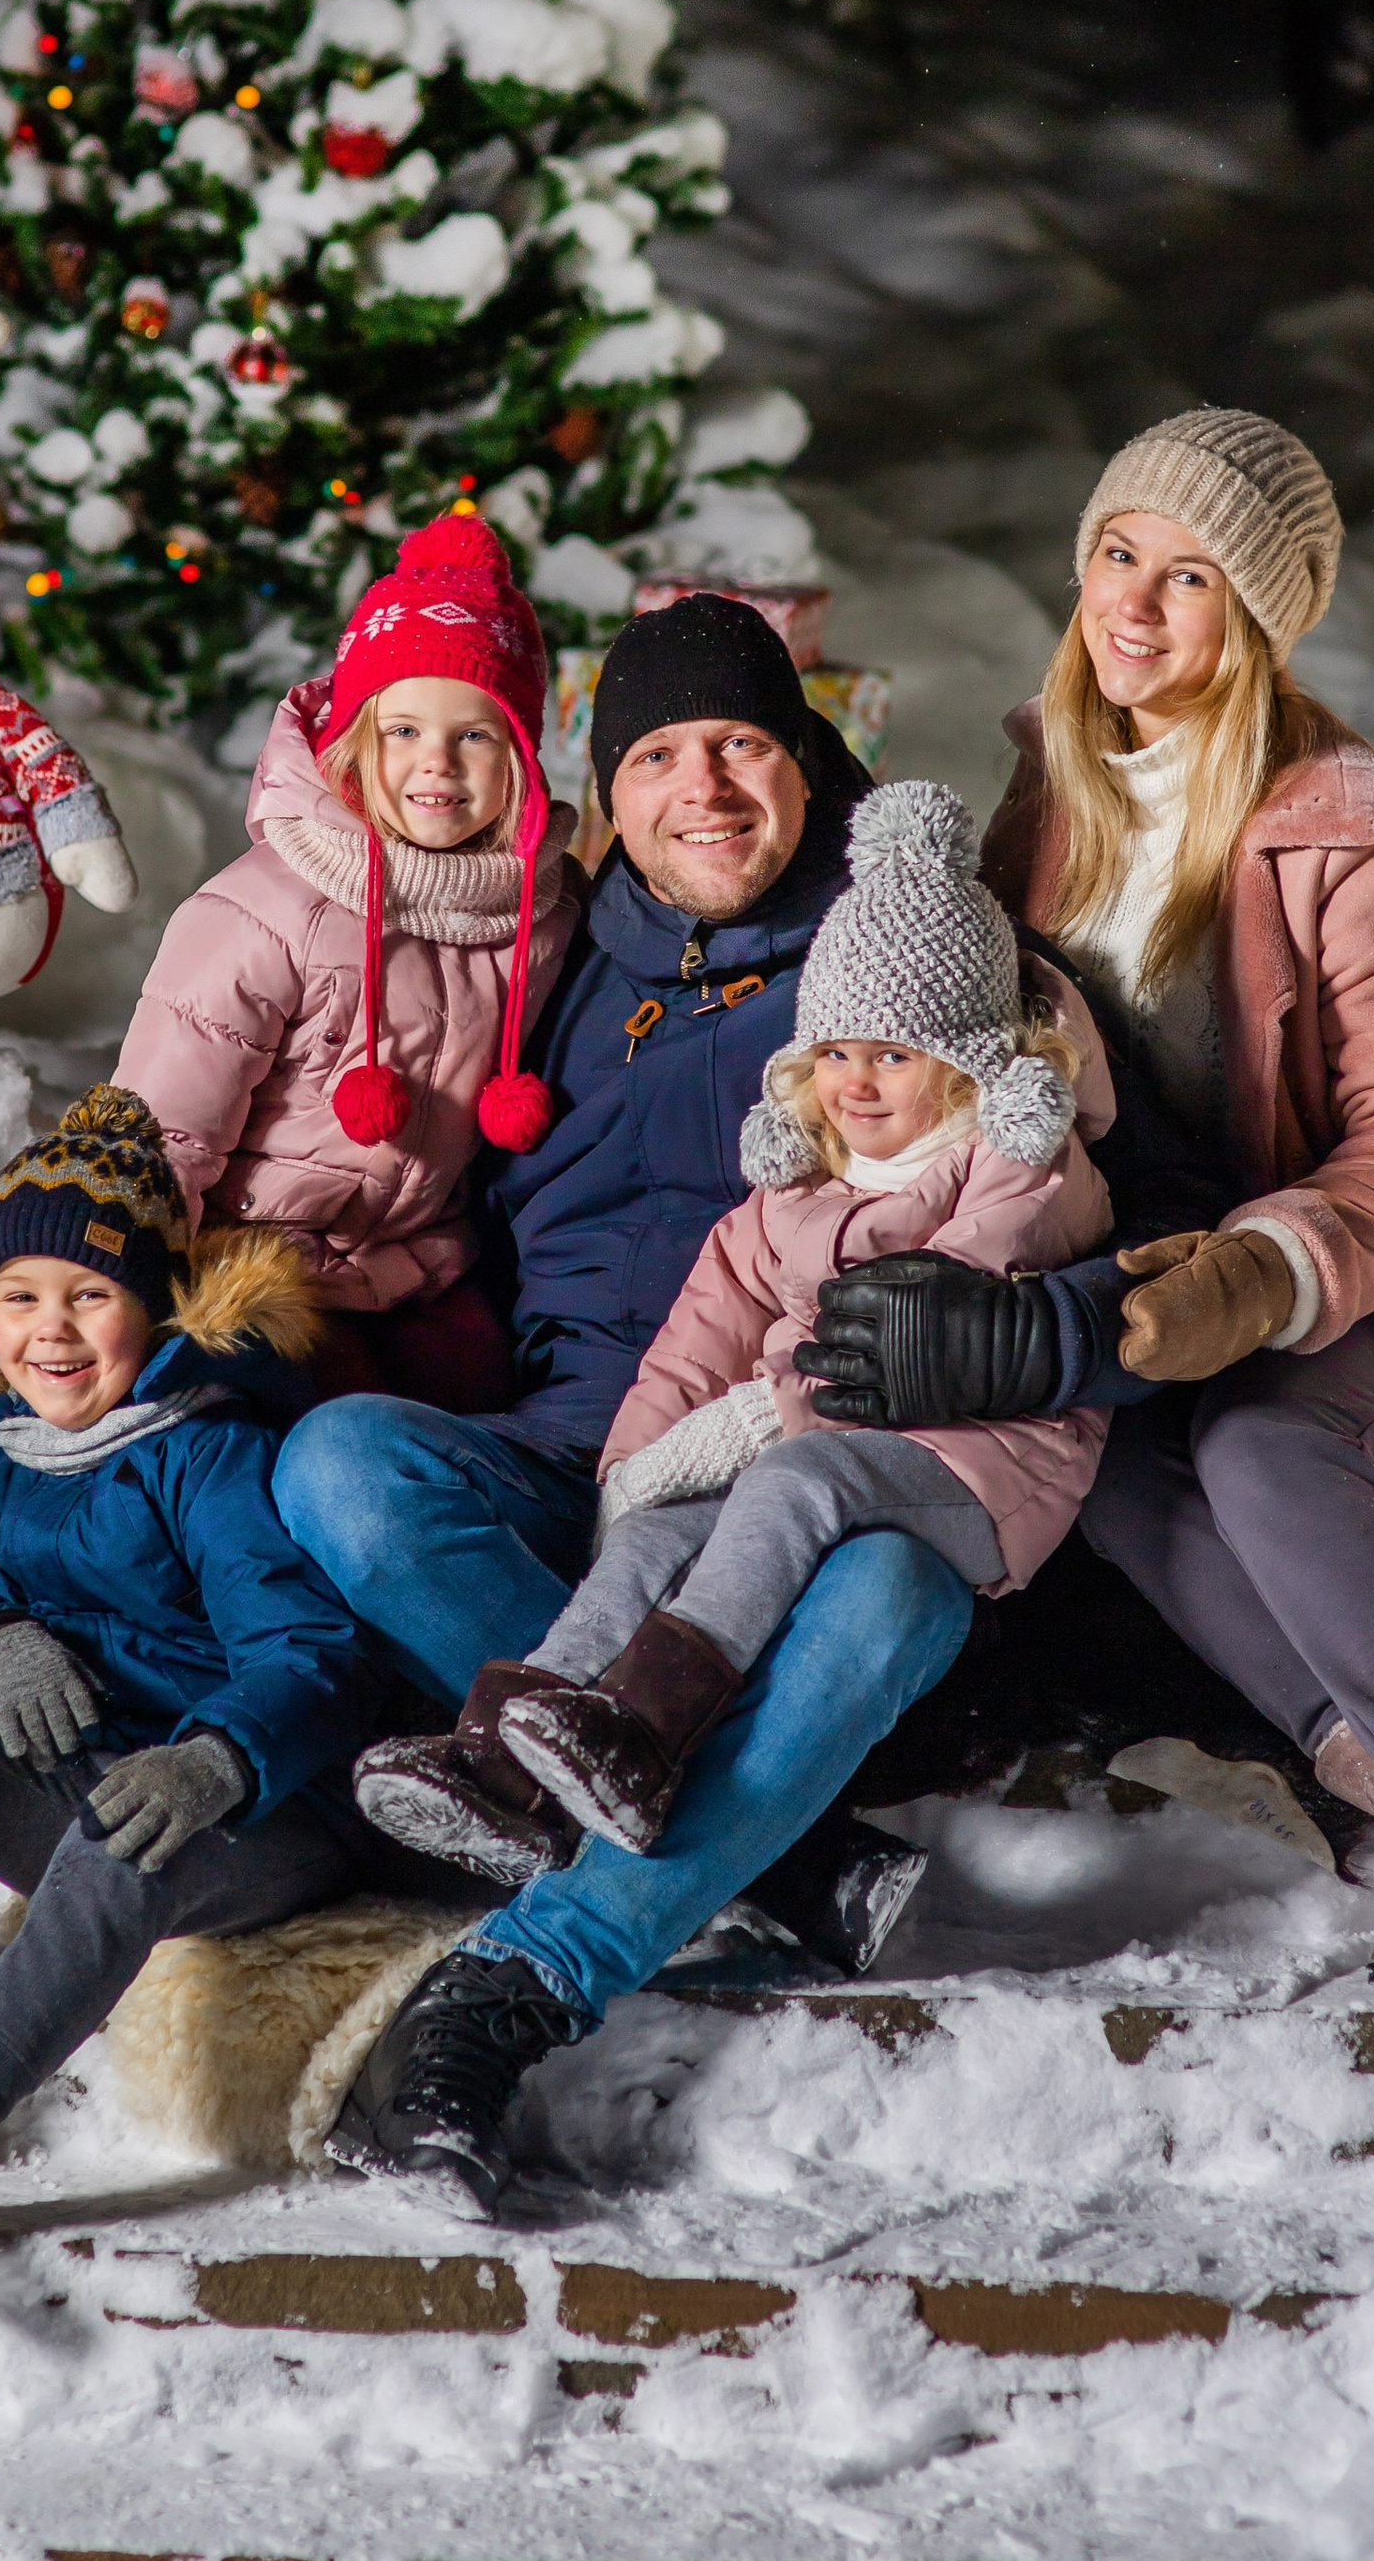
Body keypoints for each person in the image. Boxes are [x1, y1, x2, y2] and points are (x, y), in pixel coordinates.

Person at [286, 598, 1212, 2216]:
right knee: (342, 1465)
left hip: (870, 1467)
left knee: (880, 1584)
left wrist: (1005, 1339)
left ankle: (502, 1998)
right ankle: (775, 1845)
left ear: (808, 761)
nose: (701, 790)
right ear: (602, 791)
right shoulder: (554, 960)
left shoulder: (942, 972)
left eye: (741, 745)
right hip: (612, 1453)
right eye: (655, 756)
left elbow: (1159, 1259)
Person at [801, 408, 1374, 2086]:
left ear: (1256, 623)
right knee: (1088, 1458)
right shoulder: (1041, 808)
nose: (1138, 608)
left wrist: (1268, 1267)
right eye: (1121, 555)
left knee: (1256, 1445)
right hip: (1109, 1288)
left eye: (1193, 582)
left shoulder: (1347, 834)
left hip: (1345, 1294)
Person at [354, 781, 1110, 1872]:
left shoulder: (1018, 1166)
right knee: (662, 1533)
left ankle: (643, 1735)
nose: (855, 1082)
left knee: (790, 1484)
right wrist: (635, 1469)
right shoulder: (797, 1180)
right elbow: (701, 1330)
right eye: (837, 1052)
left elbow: (903, 1345)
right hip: (816, 1447)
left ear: (966, 1062)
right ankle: (506, 1758)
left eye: (893, 1056)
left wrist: (769, 1411)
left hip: (978, 1464)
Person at [0, 1083, 396, 2264]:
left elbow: (313, 1652)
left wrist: (213, 1761)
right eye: (19, 1299)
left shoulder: (208, 1450)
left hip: (248, 1807)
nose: (49, 1331)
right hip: (86, 1777)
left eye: (87, 1297)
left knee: (126, 1838)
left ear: (149, 1312)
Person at [113, 512, 580, 1409]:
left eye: (475, 735)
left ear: (520, 754)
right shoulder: (265, 911)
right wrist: (130, 1288)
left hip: (421, 1266)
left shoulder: (543, 910)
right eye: (402, 731)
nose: (435, 763)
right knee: (321, 1430)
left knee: (489, 1413)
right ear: (355, 742)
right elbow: (166, 1133)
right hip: (252, 1263)